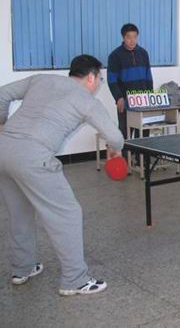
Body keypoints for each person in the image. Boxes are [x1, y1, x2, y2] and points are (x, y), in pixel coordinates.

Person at [0, 55, 124, 296]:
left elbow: (2, 94)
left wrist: (2, 122)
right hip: (34, 157)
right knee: (67, 214)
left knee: (19, 212)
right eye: (99, 79)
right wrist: (114, 148)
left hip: (4, 150)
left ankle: (22, 268)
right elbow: (116, 137)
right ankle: (74, 280)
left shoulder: (41, 79)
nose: (99, 83)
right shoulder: (87, 101)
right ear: (91, 77)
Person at [107, 23, 153, 141]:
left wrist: (150, 96)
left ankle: (142, 154)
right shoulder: (115, 56)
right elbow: (112, 80)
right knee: (125, 132)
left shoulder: (143, 53)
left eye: (135, 37)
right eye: (129, 37)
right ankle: (125, 154)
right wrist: (119, 98)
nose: (132, 41)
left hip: (143, 100)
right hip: (126, 101)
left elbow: (148, 77)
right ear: (123, 37)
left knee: (143, 132)